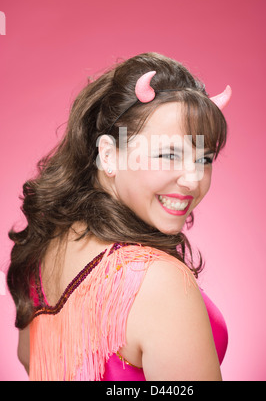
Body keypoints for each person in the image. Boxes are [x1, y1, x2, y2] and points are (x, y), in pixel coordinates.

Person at [7, 52, 231, 381]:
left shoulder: (42, 253)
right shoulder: (158, 281)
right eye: (169, 154)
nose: (193, 179)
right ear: (109, 155)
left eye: (205, 159)